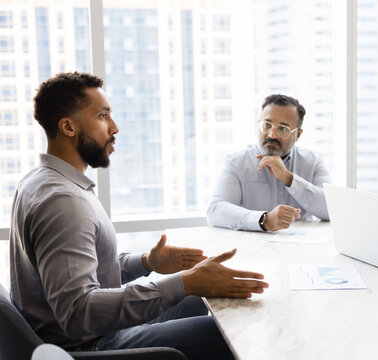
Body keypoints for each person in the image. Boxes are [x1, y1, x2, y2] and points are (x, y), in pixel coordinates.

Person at [9, 72, 269, 360]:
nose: (115, 128)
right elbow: (77, 312)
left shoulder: (41, 182)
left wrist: (147, 262)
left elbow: (80, 270)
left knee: (204, 301)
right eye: (103, 116)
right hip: (91, 345)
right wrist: (185, 282)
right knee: (229, 332)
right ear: (68, 127)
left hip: (84, 333)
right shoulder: (64, 202)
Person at [207, 94, 331, 232]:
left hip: (302, 248)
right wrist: (264, 219)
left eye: (283, 128)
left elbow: (331, 210)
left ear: (298, 134)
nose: (272, 135)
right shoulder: (236, 162)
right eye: (267, 125)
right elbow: (215, 211)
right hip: (252, 248)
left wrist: (288, 178)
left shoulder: (313, 162)